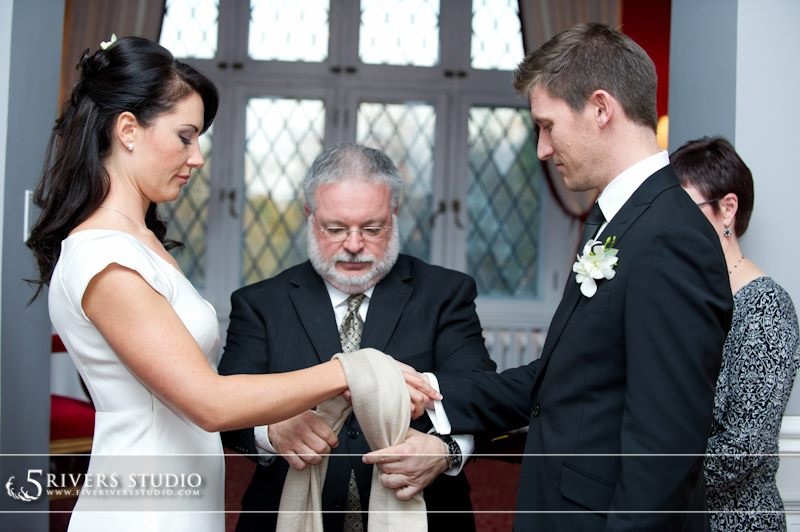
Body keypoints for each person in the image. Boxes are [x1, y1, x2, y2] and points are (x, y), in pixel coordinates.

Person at [25, 37, 436, 532]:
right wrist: (353, 369)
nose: (197, 157)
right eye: (185, 136)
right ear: (128, 130)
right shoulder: (102, 255)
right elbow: (210, 402)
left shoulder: (139, 241)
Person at [365, 23, 733, 531]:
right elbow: (563, 377)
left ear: (601, 108)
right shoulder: (615, 221)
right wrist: (432, 388)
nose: (541, 148)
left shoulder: (670, 236)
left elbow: (665, 448)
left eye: (547, 124)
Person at [218, 143, 496, 532]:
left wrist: (446, 452)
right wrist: (271, 430)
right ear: (308, 216)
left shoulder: (445, 294)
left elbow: (481, 393)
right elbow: (225, 409)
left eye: (371, 228)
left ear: (394, 215)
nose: (352, 244)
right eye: (335, 229)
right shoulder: (260, 303)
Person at [671, 136, 800, 532]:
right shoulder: (684, 297)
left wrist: (656, 484)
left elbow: (745, 447)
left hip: (734, 520)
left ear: (727, 209)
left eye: (683, 209)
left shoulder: (766, 307)